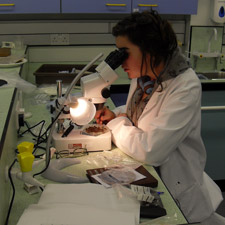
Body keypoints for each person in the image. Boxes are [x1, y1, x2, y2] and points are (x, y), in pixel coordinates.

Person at [95, 10, 225, 225]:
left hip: (177, 188)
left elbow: (151, 150)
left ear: (150, 49)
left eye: (124, 52)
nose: (120, 60)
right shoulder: (143, 77)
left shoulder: (185, 85)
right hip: (147, 180)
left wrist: (114, 123)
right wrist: (116, 114)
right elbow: (139, 116)